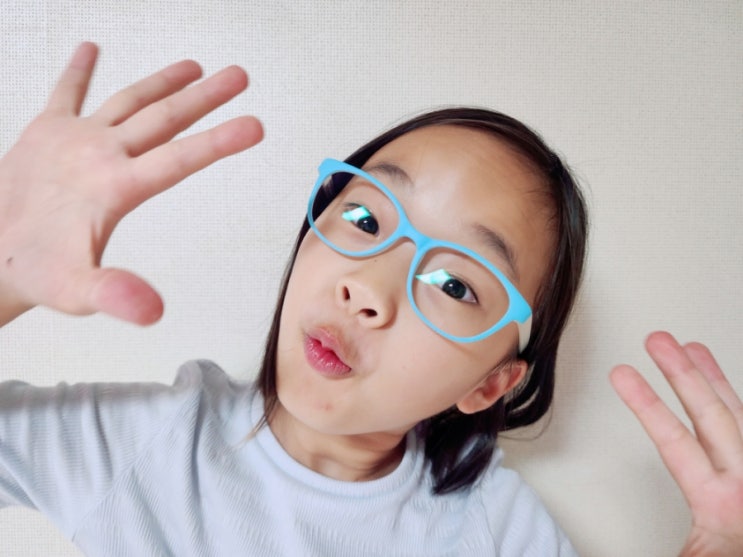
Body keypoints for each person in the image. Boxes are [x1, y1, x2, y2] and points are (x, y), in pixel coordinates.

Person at [0, 42, 740, 556]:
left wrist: (720, 541)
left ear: (490, 383)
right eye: (364, 218)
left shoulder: (496, 530)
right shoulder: (146, 443)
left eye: (454, 284)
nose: (369, 290)